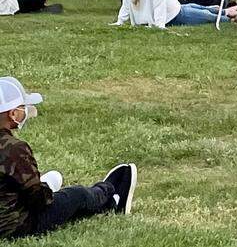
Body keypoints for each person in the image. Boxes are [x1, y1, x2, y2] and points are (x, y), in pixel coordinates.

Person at [0, 77, 138, 239]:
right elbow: (38, 200)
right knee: (76, 195)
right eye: (22, 107)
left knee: (51, 183)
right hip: (13, 227)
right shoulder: (14, 149)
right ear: (13, 114)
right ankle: (110, 194)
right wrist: (48, 191)